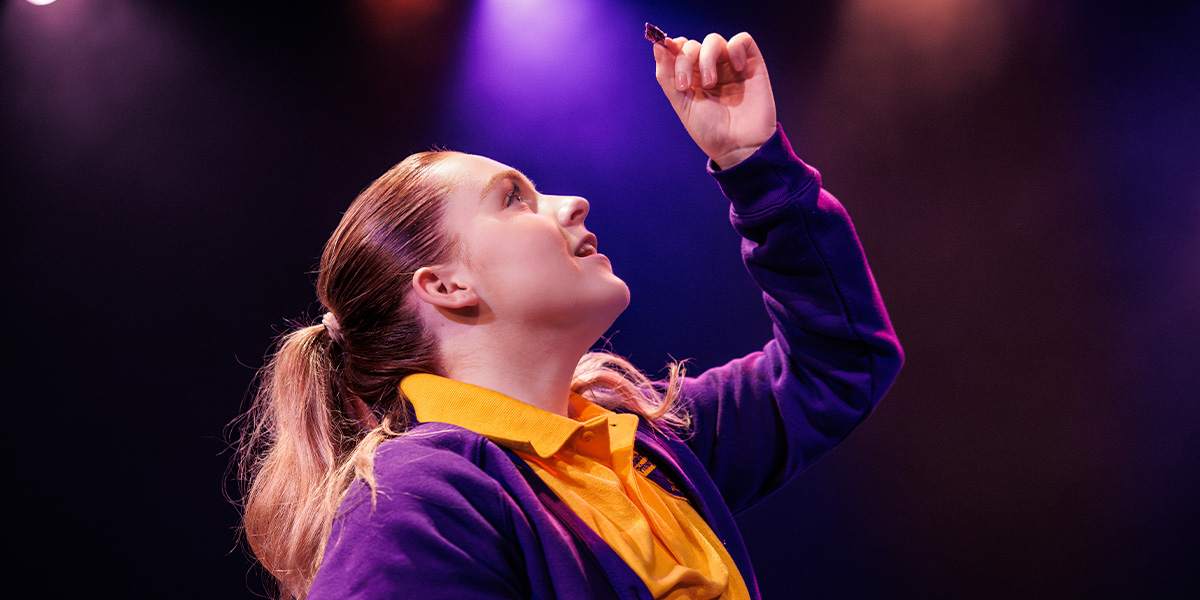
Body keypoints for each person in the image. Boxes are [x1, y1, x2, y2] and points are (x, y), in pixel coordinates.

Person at [238, 29, 902, 600]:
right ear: (445, 286)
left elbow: (838, 360)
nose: (573, 202)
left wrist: (752, 164)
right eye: (514, 199)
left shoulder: (641, 445)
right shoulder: (417, 501)